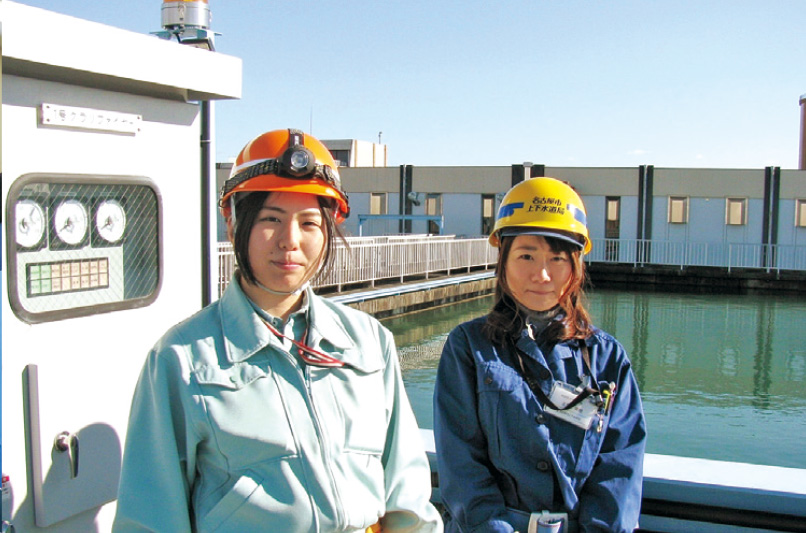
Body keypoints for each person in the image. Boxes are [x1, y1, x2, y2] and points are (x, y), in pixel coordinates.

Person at [114, 129, 442, 532]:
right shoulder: (182, 359)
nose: (290, 242)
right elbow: (150, 518)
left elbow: (406, 488)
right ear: (234, 225)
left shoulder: (368, 342)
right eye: (271, 219)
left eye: (308, 223)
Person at [433, 177, 646, 533]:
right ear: (503, 258)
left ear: (576, 265)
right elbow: (461, 465)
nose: (542, 274)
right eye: (526, 255)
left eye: (557, 258)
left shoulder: (607, 358)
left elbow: (620, 464)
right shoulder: (468, 346)